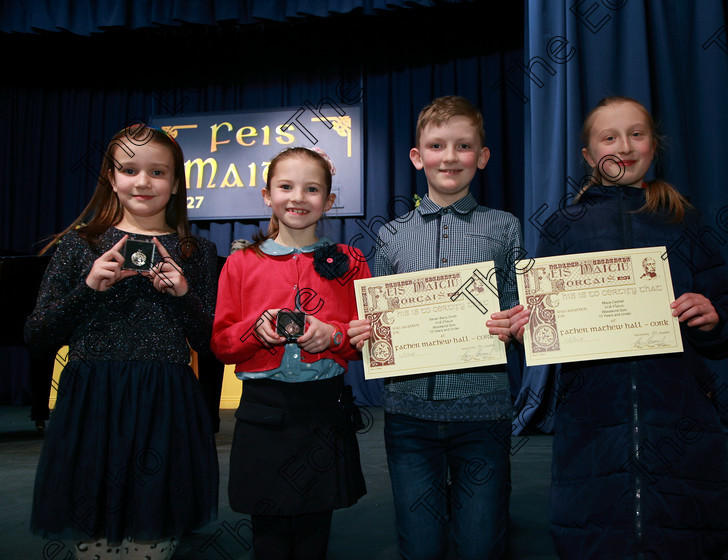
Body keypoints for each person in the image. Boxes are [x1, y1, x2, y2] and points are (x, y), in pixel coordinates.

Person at [511, 96, 728, 559]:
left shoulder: (684, 220)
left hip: (679, 413)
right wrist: (528, 330)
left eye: (637, 134)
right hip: (591, 416)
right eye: (609, 137)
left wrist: (713, 318)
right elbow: (546, 330)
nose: (624, 146)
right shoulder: (563, 227)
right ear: (587, 155)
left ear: (653, 145)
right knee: (593, 532)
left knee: (689, 532)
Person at [25, 124, 219, 560]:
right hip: (93, 402)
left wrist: (184, 294)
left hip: (164, 401)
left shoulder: (195, 251)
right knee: (93, 539)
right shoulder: (81, 245)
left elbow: (210, 343)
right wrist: (89, 287)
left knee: (150, 538)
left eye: (158, 172)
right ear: (111, 178)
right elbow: (38, 336)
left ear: (174, 184)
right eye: (129, 170)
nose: (143, 182)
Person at [349, 96, 525, 560]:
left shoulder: (505, 228)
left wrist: (516, 323)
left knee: (481, 544)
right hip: (408, 416)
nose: (450, 156)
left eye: (464, 145)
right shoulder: (391, 234)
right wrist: (368, 333)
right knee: (420, 544)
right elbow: (378, 319)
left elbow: (518, 308)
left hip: (483, 411)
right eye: (437, 145)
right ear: (417, 156)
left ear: (482, 157)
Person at [211, 146, 369, 560]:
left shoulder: (351, 262)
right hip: (263, 411)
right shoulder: (241, 262)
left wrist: (334, 337)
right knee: (269, 535)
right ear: (267, 195)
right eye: (286, 186)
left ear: (329, 201)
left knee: (316, 530)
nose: (298, 197)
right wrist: (255, 332)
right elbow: (221, 344)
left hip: (323, 410)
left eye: (312, 189)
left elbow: (370, 338)